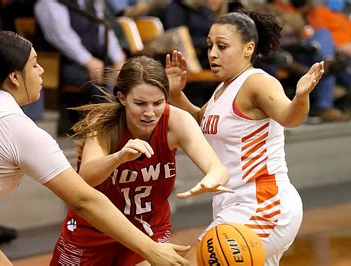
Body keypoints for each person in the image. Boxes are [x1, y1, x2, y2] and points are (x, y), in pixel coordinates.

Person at [0, 31, 191, 266]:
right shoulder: (14, 125)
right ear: (14, 77)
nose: (42, 72)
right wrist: (151, 249)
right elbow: (85, 200)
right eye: (34, 65)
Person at [166, 9, 324, 265]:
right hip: (236, 205)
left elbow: (289, 117)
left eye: (222, 46)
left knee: (194, 261)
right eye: (209, 46)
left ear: (249, 48)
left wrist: (301, 96)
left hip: (264, 204)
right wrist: (176, 95)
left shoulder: (257, 82)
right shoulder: (222, 89)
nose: (213, 53)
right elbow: (200, 122)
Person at [51, 56, 231, 265]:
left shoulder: (176, 121)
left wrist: (211, 179)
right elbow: (86, 178)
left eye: (157, 103)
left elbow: (217, 168)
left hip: (148, 230)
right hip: (93, 232)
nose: (149, 112)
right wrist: (118, 158)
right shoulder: (103, 124)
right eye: (140, 103)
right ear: (121, 97)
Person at [34, 0, 126, 135]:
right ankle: (100, 132)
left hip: (96, 59)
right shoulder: (49, 3)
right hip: (64, 63)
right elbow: (61, 37)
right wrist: (88, 60)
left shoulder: (91, 3)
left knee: (124, 75)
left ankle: (118, 127)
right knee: (96, 81)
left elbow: (105, 30)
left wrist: (118, 59)